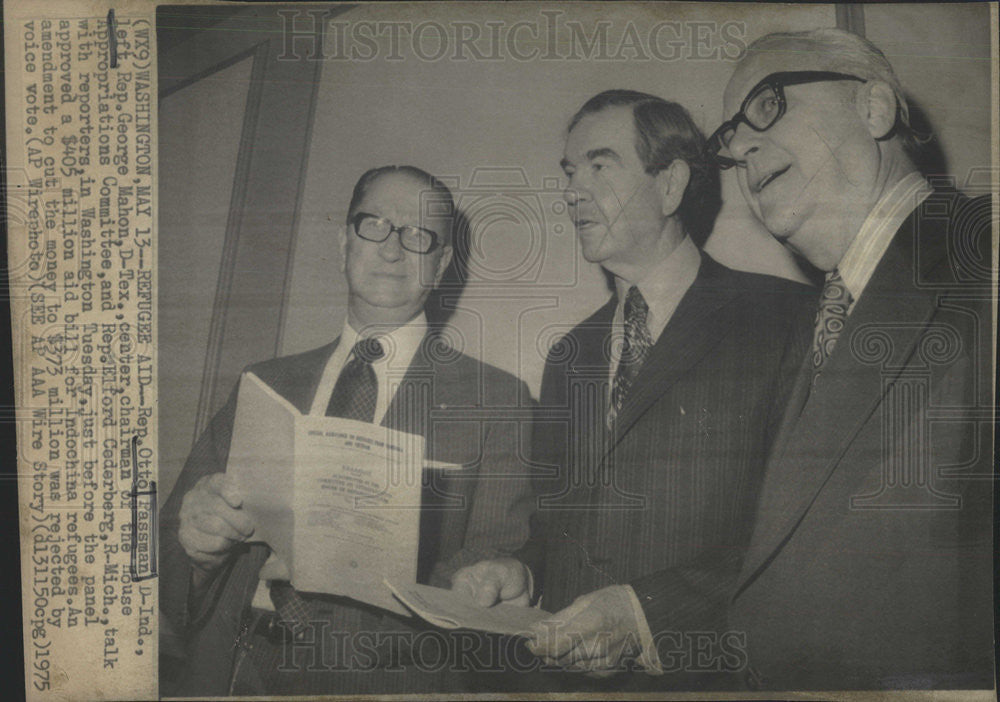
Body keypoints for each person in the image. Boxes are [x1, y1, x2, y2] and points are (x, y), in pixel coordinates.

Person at [453, 90, 814, 689]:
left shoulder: (786, 320)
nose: (572, 191)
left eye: (599, 165)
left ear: (671, 185)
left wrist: (645, 617)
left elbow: (797, 539)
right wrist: (522, 574)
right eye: (569, 173)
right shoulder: (570, 355)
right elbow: (559, 528)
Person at [160, 165, 534, 696]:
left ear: (443, 263)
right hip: (232, 672)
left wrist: (477, 582)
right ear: (343, 242)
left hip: (388, 682)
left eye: (418, 235)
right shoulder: (262, 382)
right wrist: (199, 551)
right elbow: (166, 557)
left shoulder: (496, 400)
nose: (391, 249)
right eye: (374, 224)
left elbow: (495, 567)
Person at [702, 28, 994, 689]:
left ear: (874, 109)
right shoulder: (811, 328)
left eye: (767, 105)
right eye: (730, 142)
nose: (743, 148)